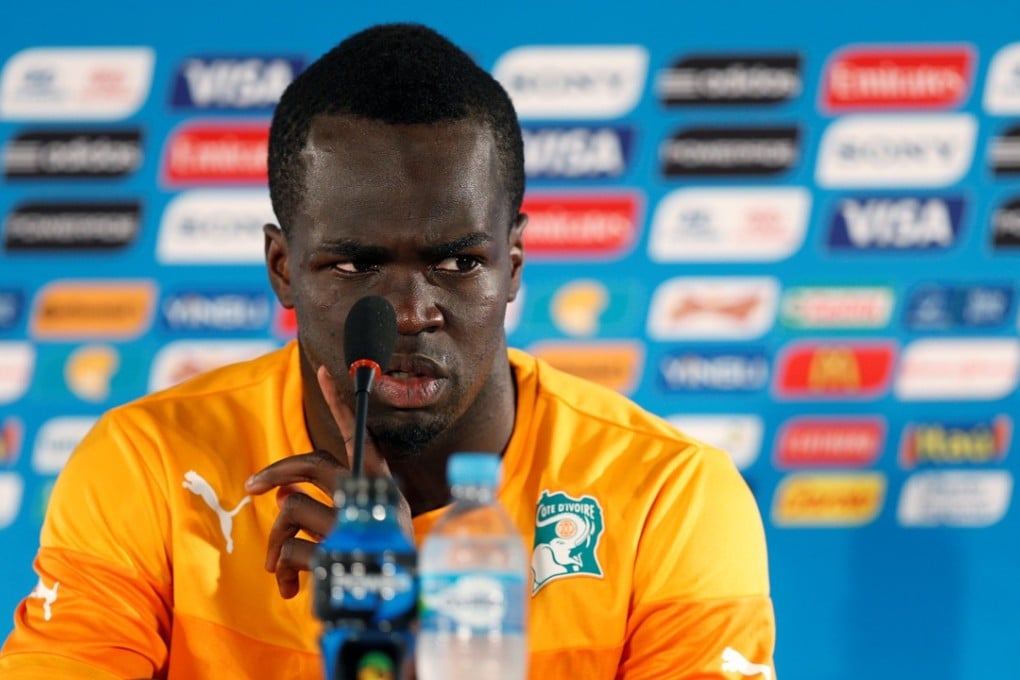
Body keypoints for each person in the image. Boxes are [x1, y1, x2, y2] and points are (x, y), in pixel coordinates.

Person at [0, 22, 777, 679]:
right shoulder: (148, 465)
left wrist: (407, 642)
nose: (410, 312)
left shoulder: (669, 497)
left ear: (513, 267)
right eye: (353, 264)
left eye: (458, 263)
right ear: (282, 270)